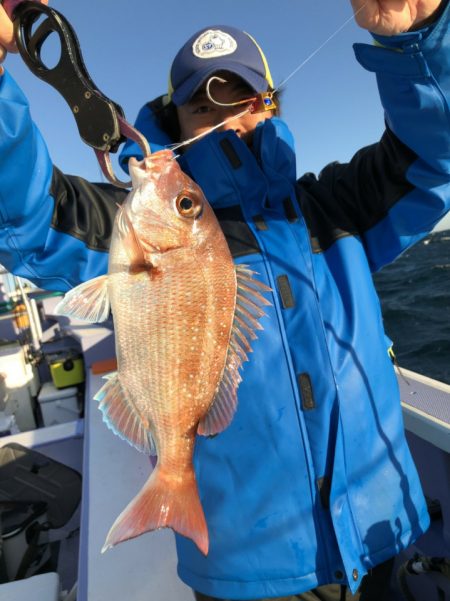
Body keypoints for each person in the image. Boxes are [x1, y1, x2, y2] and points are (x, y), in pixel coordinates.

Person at [1, 1, 450, 600]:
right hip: (248, 570)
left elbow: (434, 158)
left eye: (240, 99)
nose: (222, 116)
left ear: (269, 105)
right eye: (201, 104)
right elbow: (29, 215)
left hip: (384, 534)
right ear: (175, 123)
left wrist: (420, 36)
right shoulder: (125, 227)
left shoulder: (335, 208)